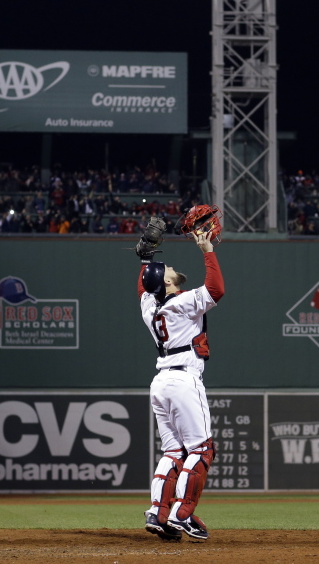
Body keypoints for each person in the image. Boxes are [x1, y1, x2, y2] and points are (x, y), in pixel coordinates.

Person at [138, 230, 224, 541]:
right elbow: (216, 290)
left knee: (174, 450)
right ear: (169, 283)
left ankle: (157, 512)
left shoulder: (151, 307)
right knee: (201, 449)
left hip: (160, 382)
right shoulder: (184, 302)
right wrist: (207, 250)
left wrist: (147, 258)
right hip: (184, 378)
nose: (171, 267)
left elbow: (145, 286)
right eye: (168, 269)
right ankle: (180, 514)